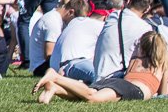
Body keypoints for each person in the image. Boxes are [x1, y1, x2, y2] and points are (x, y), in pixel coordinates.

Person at [35, 31, 167, 103]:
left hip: (118, 81)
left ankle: (54, 88)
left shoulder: (135, 60)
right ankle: (56, 77)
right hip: (134, 90)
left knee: (83, 94)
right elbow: (163, 94)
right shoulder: (162, 63)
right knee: (92, 98)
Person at [92, 0, 157, 81]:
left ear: (129, 0)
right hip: (117, 79)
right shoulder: (145, 28)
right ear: (147, 9)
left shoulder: (113, 16)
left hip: (98, 75)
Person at [49, 0, 102, 82]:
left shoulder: (72, 25)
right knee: (102, 77)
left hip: (57, 66)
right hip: (73, 64)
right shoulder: (94, 24)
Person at [25, 0, 64, 77]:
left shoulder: (53, 17)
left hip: (42, 65)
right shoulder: (52, 21)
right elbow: (49, 55)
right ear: (71, 12)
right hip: (42, 67)